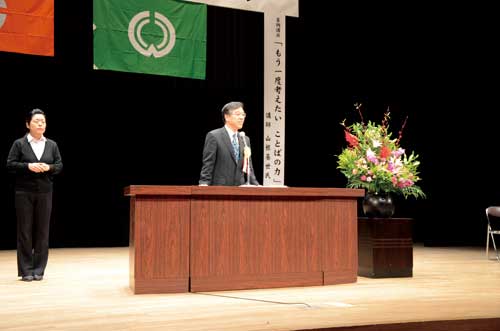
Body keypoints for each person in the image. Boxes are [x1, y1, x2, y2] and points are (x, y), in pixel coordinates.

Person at [6, 108, 63, 282]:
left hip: (45, 192)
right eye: (37, 121)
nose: (40, 124)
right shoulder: (19, 144)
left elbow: (59, 165)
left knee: (42, 232)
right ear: (27, 124)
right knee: (24, 231)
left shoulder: (52, 144)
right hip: (24, 192)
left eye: (43, 121)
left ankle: (39, 269)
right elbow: (10, 164)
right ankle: (26, 270)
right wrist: (28, 166)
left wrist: (49, 168)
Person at [199, 101, 259, 186]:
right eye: (238, 114)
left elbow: (249, 166)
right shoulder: (214, 136)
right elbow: (208, 164)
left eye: (243, 114)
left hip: (240, 189)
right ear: (227, 117)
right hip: (220, 189)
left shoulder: (245, 139)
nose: (241, 117)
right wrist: (204, 184)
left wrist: (256, 185)